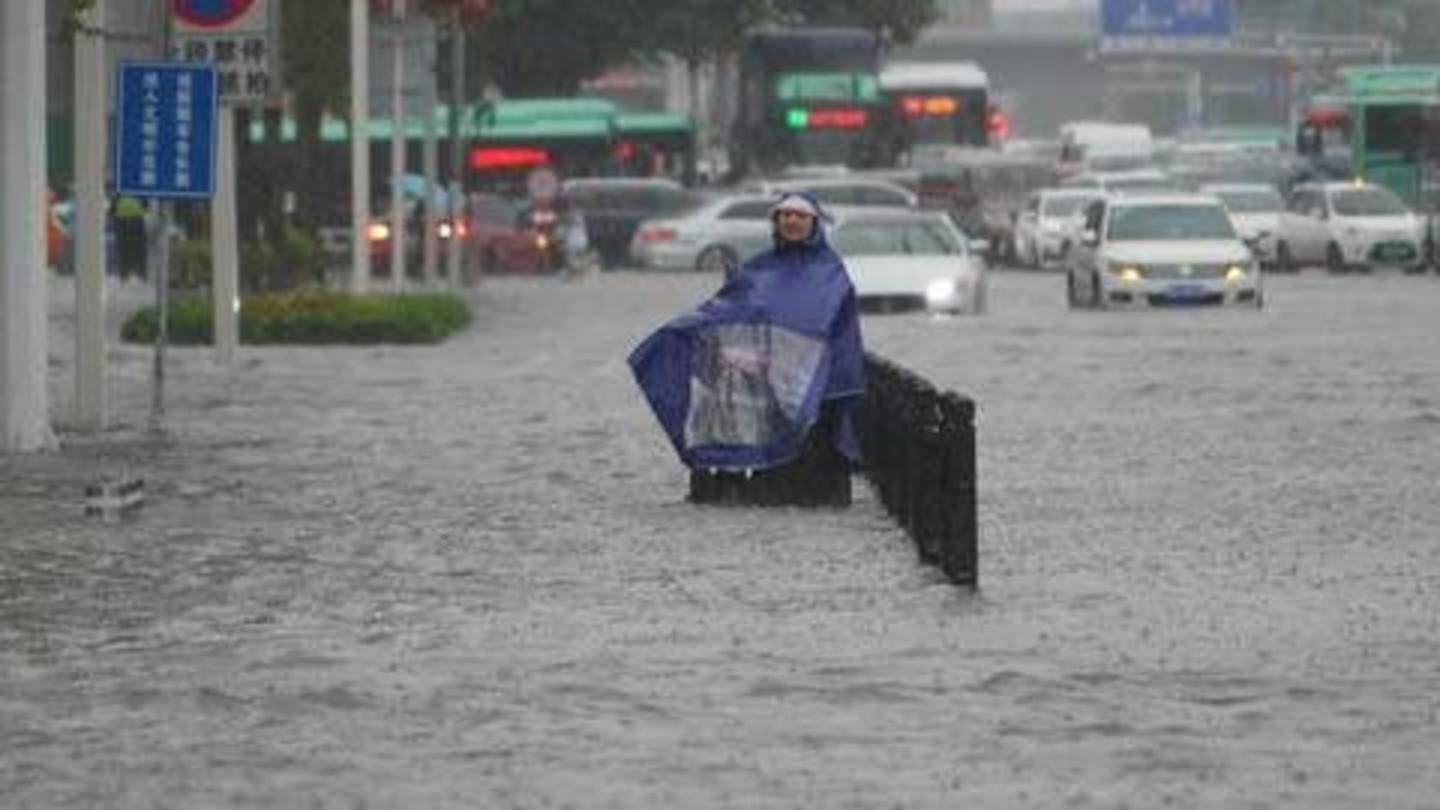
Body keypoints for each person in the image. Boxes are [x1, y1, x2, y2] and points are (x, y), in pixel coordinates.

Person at [628, 192, 866, 505]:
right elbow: (729, 312)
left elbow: (834, 326)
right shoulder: (757, 269)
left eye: (799, 215)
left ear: (814, 223)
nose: (791, 221)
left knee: (812, 470)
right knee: (771, 466)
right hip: (765, 385)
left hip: (815, 389)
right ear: (775, 222)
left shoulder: (830, 272)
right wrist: (690, 329)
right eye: (784, 215)